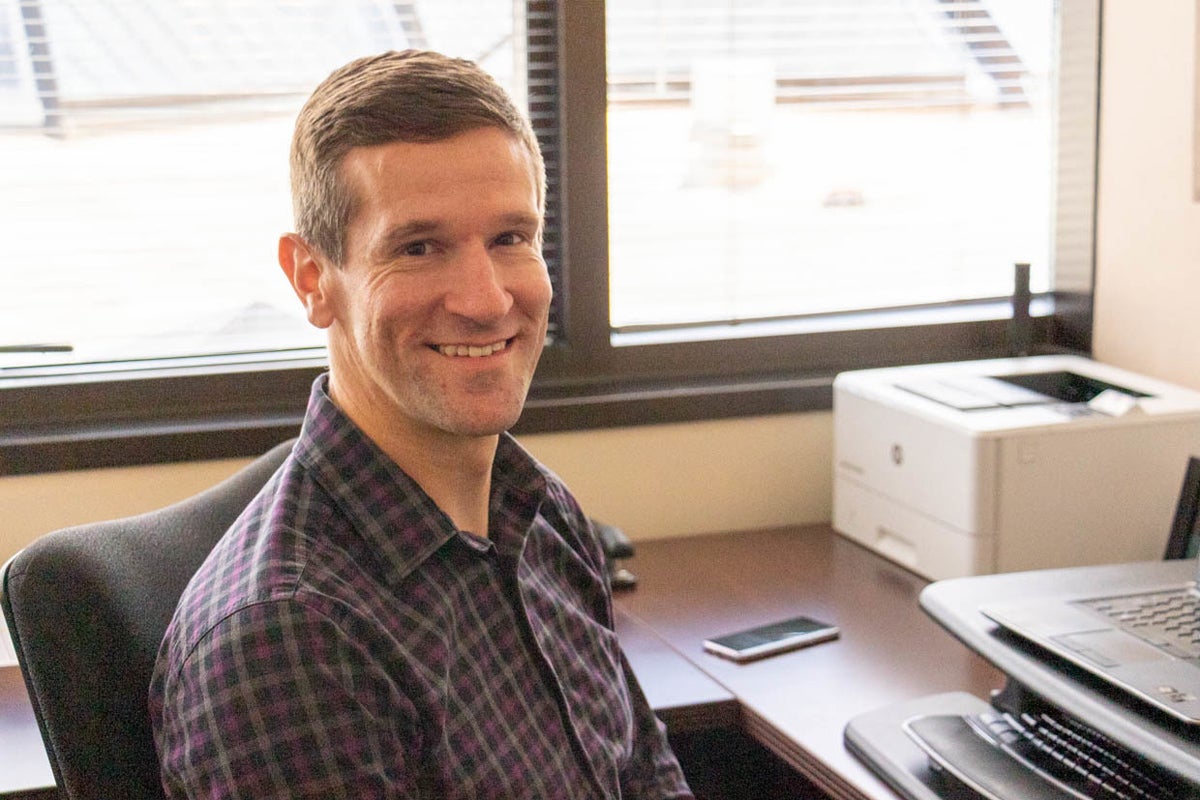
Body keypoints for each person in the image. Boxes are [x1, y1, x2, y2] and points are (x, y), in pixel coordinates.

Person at [148, 50, 694, 799]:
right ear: (312, 280)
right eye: (418, 248)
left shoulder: (538, 510)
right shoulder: (290, 639)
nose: (486, 299)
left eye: (510, 238)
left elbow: (644, 775)